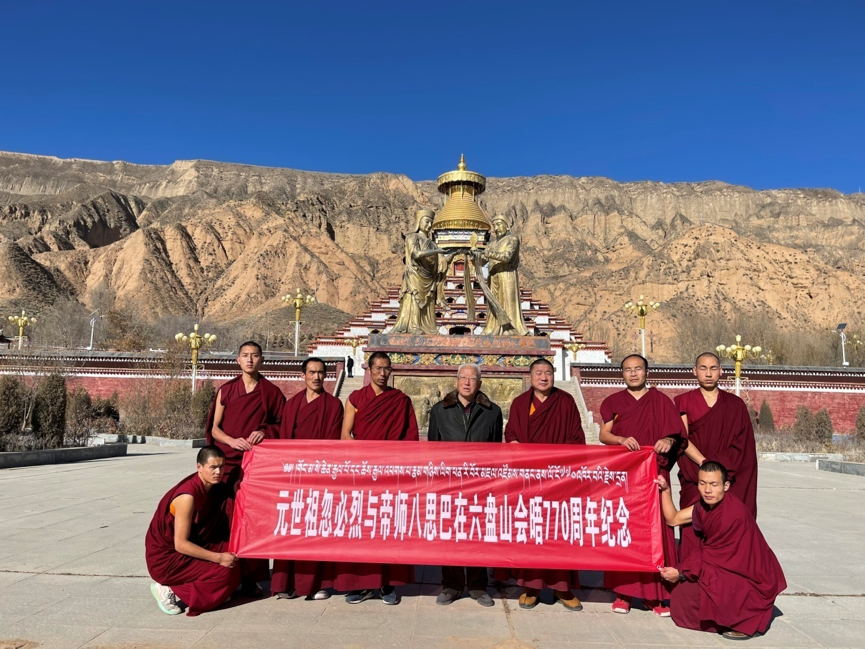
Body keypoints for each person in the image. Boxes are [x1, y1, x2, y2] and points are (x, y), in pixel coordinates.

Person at [656, 462, 786, 640]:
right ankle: (723, 617)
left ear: (726, 486)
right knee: (683, 596)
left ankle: (741, 621)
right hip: (728, 567)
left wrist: (680, 572)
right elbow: (673, 519)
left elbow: (712, 555)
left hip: (752, 577)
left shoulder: (731, 513)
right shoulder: (704, 506)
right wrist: (665, 491)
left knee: (685, 597)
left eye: (714, 484)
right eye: (702, 483)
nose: (707, 490)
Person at [599, 354, 686, 617]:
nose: (633, 374)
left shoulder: (661, 401)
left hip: (654, 475)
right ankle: (623, 593)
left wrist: (668, 442)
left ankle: (656, 596)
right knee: (626, 530)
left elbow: (676, 435)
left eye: (638, 369)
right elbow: (604, 434)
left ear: (647, 372)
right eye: (628, 370)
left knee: (657, 532)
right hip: (625, 476)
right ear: (622, 374)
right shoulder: (613, 401)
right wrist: (620, 439)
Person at [500, 358, 585, 611]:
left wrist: (557, 465)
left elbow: (576, 439)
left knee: (559, 533)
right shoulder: (519, 403)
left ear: (554, 374)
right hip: (528, 481)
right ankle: (532, 585)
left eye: (548, 373)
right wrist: (516, 448)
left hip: (559, 481)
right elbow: (511, 434)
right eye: (539, 373)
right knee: (532, 531)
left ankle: (562, 587)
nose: (544, 377)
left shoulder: (566, 402)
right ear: (531, 376)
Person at [337, 351, 419, 604]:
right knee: (361, 527)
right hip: (363, 473)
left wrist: (392, 464)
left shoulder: (401, 400)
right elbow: (345, 435)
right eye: (378, 368)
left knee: (388, 527)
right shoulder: (355, 398)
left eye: (386, 369)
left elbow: (410, 439)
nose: (382, 374)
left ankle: (387, 584)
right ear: (369, 370)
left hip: (390, 474)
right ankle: (362, 584)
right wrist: (366, 461)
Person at [205, 340, 284, 596]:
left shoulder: (271, 392)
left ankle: (251, 576)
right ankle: (223, 572)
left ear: (262, 360)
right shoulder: (226, 390)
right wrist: (231, 441)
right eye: (245, 355)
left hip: (254, 465)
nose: (250, 360)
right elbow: (214, 428)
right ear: (238, 360)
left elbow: (281, 425)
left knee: (251, 519)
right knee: (224, 519)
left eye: (255, 356)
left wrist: (264, 431)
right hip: (227, 463)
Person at [427, 363, 503, 608]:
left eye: (472, 378)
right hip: (449, 484)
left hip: (480, 485)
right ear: (456, 381)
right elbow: (433, 448)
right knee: (449, 534)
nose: (467, 382)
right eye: (463, 377)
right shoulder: (440, 410)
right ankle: (451, 584)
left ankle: (478, 586)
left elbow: (496, 450)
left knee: (478, 535)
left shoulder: (492, 412)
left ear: (479, 383)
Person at [674, 352, 758, 566]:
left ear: (721, 371)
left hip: (725, 476)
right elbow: (682, 439)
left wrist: (717, 471)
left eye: (713, 368)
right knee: (692, 533)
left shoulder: (735, 405)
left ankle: (725, 578)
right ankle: (691, 582)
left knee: (726, 533)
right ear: (694, 371)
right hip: (695, 475)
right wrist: (704, 463)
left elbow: (742, 446)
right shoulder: (683, 401)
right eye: (703, 368)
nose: (708, 373)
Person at [272, 357, 344, 602]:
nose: (317, 377)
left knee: (317, 530)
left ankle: (318, 584)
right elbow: (283, 440)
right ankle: (286, 582)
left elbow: (332, 443)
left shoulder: (334, 405)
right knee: (290, 529)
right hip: (293, 477)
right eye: (312, 372)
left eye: (321, 373)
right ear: (304, 375)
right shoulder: (291, 404)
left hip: (319, 477)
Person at [145, 446, 240, 616]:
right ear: (199, 468)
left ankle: (213, 591)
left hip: (192, 544)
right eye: (212, 467)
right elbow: (180, 545)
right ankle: (170, 590)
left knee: (234, 556)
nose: (218, 472)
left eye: (222, 467)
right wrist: (218, 558)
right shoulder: (187, 497)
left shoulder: (212, 488)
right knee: (225, 572)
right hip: (167, 560)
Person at [391, 209, 455, 335]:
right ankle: (413, 326)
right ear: (419, 222)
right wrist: (437, 251)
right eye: (426, 222)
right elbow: (416, 254)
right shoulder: (412, 237)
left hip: (429, 277)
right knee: (414, 299)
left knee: (428, 303)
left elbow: (442, 263)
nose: (429, 225)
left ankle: (429, 328)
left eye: (431, 223)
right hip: (415, 275)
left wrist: (454, 253)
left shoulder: (432, 243)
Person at [478, 214, 529, 336]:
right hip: (493, 276)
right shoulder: (493, 243)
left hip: (507, 275)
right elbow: (483, 260)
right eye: (494, 225)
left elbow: (506, 257)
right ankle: (492, 328)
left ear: (506, 226)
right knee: (494, 304)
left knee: (508, 301)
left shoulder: (512, 239)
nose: (496, 228)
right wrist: (476, 255)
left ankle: (510, 328)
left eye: (499, 224)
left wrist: (489, 253)